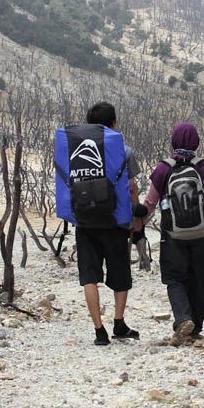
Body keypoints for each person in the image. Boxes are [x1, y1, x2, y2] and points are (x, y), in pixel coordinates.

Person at [135, 122, 204, 345]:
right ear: (196, 141)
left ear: (173, 140)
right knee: (201, 279)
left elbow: (150, 203)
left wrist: (137, 227)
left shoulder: (164, 168)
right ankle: (195, 328)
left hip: (173, 235)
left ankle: (183, 319)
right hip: (203, 233)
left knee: (174, 278)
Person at [72, 102, 141, 346]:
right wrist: (136, 218)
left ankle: (99, 331)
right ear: (114, 123)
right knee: (120, 274)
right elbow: (131, 187)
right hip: (115, 222)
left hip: (85, 222)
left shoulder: (75, 151)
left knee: (89, 276)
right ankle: (119, 323)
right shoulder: (124, 150)